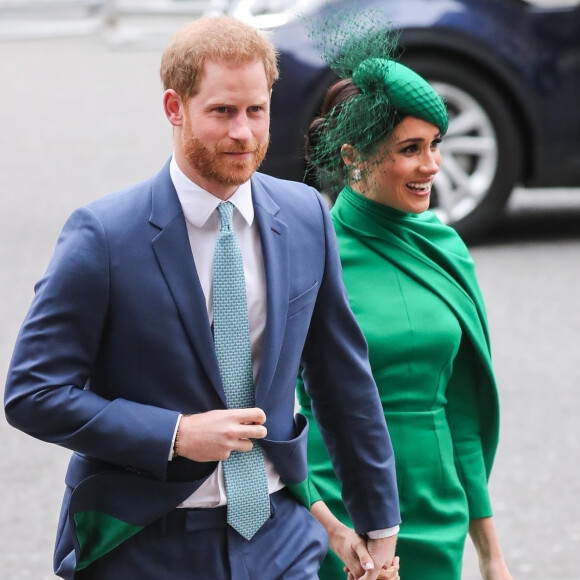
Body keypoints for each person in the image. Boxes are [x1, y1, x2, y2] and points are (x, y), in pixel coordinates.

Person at [3, 16, 401, 580]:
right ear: (175, 107)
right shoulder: (104, 236)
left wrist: (380, 526)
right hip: (144, 542)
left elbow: (342, 380)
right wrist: (174, 435)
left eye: (255, 110)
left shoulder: (307, 215)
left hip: (278, 537)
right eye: (222, 112)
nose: (243, 132)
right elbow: (32, 392)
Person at [296, 21, 514, 580]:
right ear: (354, 156)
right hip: (340, 514)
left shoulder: (445, 246)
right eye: (410, 149)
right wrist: (327, 524)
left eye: (435, 145)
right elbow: (277, 406)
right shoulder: (311, 251)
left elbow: (461, 407)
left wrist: (490, 552)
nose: (432, 166)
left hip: (437, 508)